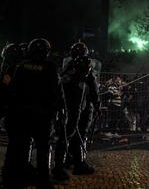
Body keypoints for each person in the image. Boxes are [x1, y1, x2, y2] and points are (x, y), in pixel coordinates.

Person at [3, 39, 62, 189]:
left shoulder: (22, 66)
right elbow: (56, 93)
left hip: (22, 114)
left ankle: (19, 178)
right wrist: (57, 112)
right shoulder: (50, 67)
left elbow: (13, 90)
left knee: (23, 146)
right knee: (44, 148)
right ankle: (44, 181)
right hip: (43, 116)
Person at [52, 42, 100, 181]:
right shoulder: (86, 66)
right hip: (79, 107)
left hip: (67, 106)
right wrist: (97, 104)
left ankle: (68, 160)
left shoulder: (67, 67)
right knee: (77, 134)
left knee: (67, 134)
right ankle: (75, 164)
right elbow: (93, 87)